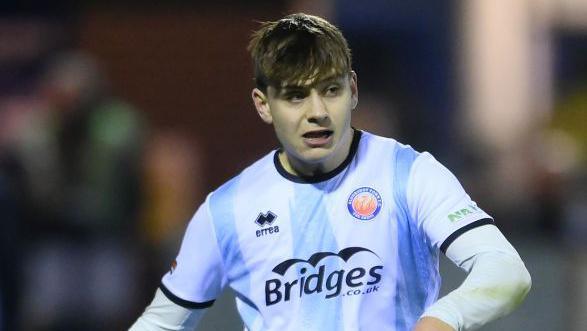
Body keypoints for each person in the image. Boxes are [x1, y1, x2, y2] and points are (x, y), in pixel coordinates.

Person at [130, 13, 531, 331]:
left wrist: (442, 319)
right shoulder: (228, 209)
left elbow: (505, 269)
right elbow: (161, 323)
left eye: (331, 90)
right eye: (295, 96)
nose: (317, 112)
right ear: (263, 104)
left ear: (353, 90)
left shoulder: (410, 174)